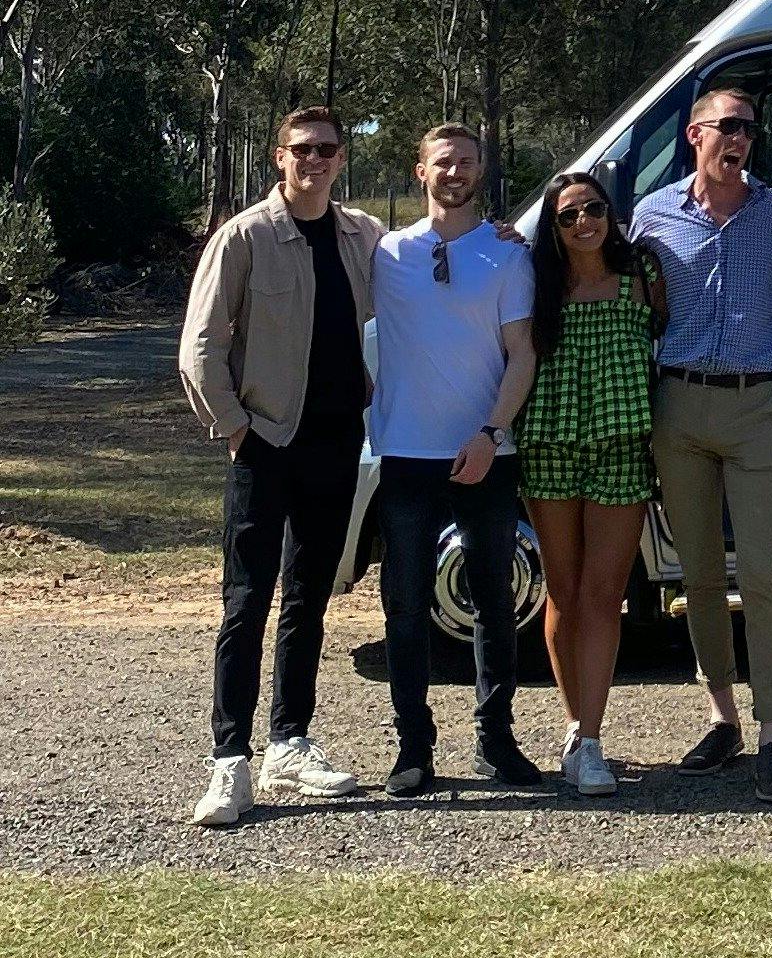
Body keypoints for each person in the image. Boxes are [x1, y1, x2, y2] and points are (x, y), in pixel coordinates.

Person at [178, 106, 377, 825]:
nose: (314, 160)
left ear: (341, 159)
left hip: (337, 443)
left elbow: (430, 263)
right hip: (265, 444)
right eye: (302, 150)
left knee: (307, 600)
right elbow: (201, 345)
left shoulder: (364, 236)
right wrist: (235, 427)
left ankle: (289, 743)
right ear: (279, 158)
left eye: (326, 149)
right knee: (246, 602)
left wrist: (506, 237)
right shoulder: (245, 237)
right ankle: (229, 761)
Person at [629, 86, 772, 803]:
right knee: (697, 573)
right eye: (727, 126)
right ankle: (721, 717)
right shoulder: (652, 215)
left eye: (749, 129)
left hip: (755, 404)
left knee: (761, 575)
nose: (740, 138)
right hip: (679, 405)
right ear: (695, 135)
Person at [370, 124, 538, 796]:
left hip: (486, 451)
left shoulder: (508, 255)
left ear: (480, 171)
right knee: (406, 604)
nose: (455, 172)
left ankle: (496, 739)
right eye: (443, 161)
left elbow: (521, 352)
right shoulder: (386, 251)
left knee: (494, 601)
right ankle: (413, 747)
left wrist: (492, 432)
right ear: (421, 171)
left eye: (467, 161)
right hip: (407, 451)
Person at [516, 171, 666, 797]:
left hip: (622, 447)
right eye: (568, 215)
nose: (584, 222)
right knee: (564, 589)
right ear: (552, 228)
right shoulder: (535, 282)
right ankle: (576, 728)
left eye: (594, 209)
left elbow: (665, 333)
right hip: (549, 444)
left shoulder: (642, 275)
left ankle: (593, 739)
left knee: (605, 595)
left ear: (611, 213)